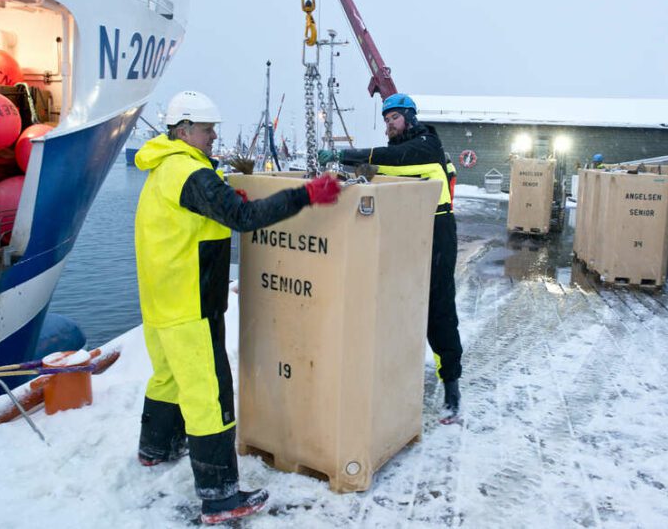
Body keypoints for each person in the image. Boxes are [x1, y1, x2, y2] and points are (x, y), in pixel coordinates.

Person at [134, 90, 341, 525]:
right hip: (190, 304)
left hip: (160, 300)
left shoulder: (165, 168)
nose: (213, 136)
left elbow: (205, 213)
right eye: (207, 129)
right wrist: (306, 195)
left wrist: (228, 197)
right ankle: (220, 497)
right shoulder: (192, 173)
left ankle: (155, 448)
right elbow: (243, 219)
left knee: (168, 378)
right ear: (184, 130)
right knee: (209, 396)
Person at [318, 93, 463, 421]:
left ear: (410, 117)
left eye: (394, 117)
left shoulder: (427, 145)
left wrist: (344, 154)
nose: (389, 124)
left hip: (437, 231)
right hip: (405, 232)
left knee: (439, 308)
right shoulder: (400, 150)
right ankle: (395, 378)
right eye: (386, 120)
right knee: (398, 305)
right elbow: (382, 169)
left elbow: (395, 160)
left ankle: (451, 385)